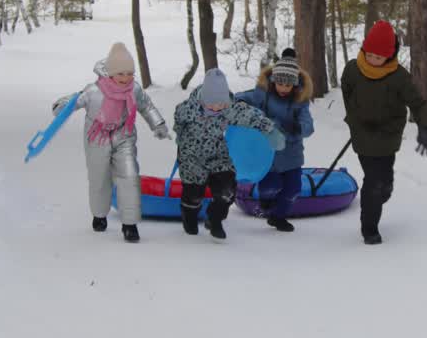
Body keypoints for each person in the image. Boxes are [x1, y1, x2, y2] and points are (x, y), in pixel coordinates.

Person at [52, 42, 170, 243]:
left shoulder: (135, 90)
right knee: (99, 177)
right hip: (96, 137)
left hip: (124, 135)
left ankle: (130, 224)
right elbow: (75, 101)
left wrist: (158, 124)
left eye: (130, 73)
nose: (126, 78)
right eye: (121, 74)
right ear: (111, 73)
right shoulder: (94, 91)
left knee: (129, 176)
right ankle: (99, 214)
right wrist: (62, 107)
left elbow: (146, 106)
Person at [340, 20, 427, 245]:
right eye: (370, 54)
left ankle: (382, 192)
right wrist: (354, 116)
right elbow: (347, 91)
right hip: (363, 134)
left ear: (390, 55)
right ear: (365, 49)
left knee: (385, 182)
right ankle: (369, 228)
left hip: (388, 135)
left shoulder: (398, 77)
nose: (374, 60)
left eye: (379, 57)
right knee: (373, 181)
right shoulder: (353, 69)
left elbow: (418, 103)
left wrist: (426, 127)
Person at [174, 68, 284, 240]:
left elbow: (251, 116)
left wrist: (270, 131)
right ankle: (189, 216)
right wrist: (180, 138)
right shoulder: (188, 109)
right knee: (193, 194)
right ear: (204, 99)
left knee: (227, 190)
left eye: (222, 103)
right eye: (214, 104)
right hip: (192, 157)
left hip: (217, 154)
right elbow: (179, 121)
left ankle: (215, 218)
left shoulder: (229, 108)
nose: (218, 107)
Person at [235, 48, 315, 232]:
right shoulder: (262, 94)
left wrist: (297, 127)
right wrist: (235, 103)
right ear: (273, 80)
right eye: (280, 84)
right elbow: (242, 98)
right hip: (267, 154)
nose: (283, 89)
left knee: (293, 188)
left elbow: (308, 125)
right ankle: (265, 200)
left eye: (288, 85)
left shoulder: (300, 101)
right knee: (270, 186)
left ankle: (278, 217)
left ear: (294, 85)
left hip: (291, 154)